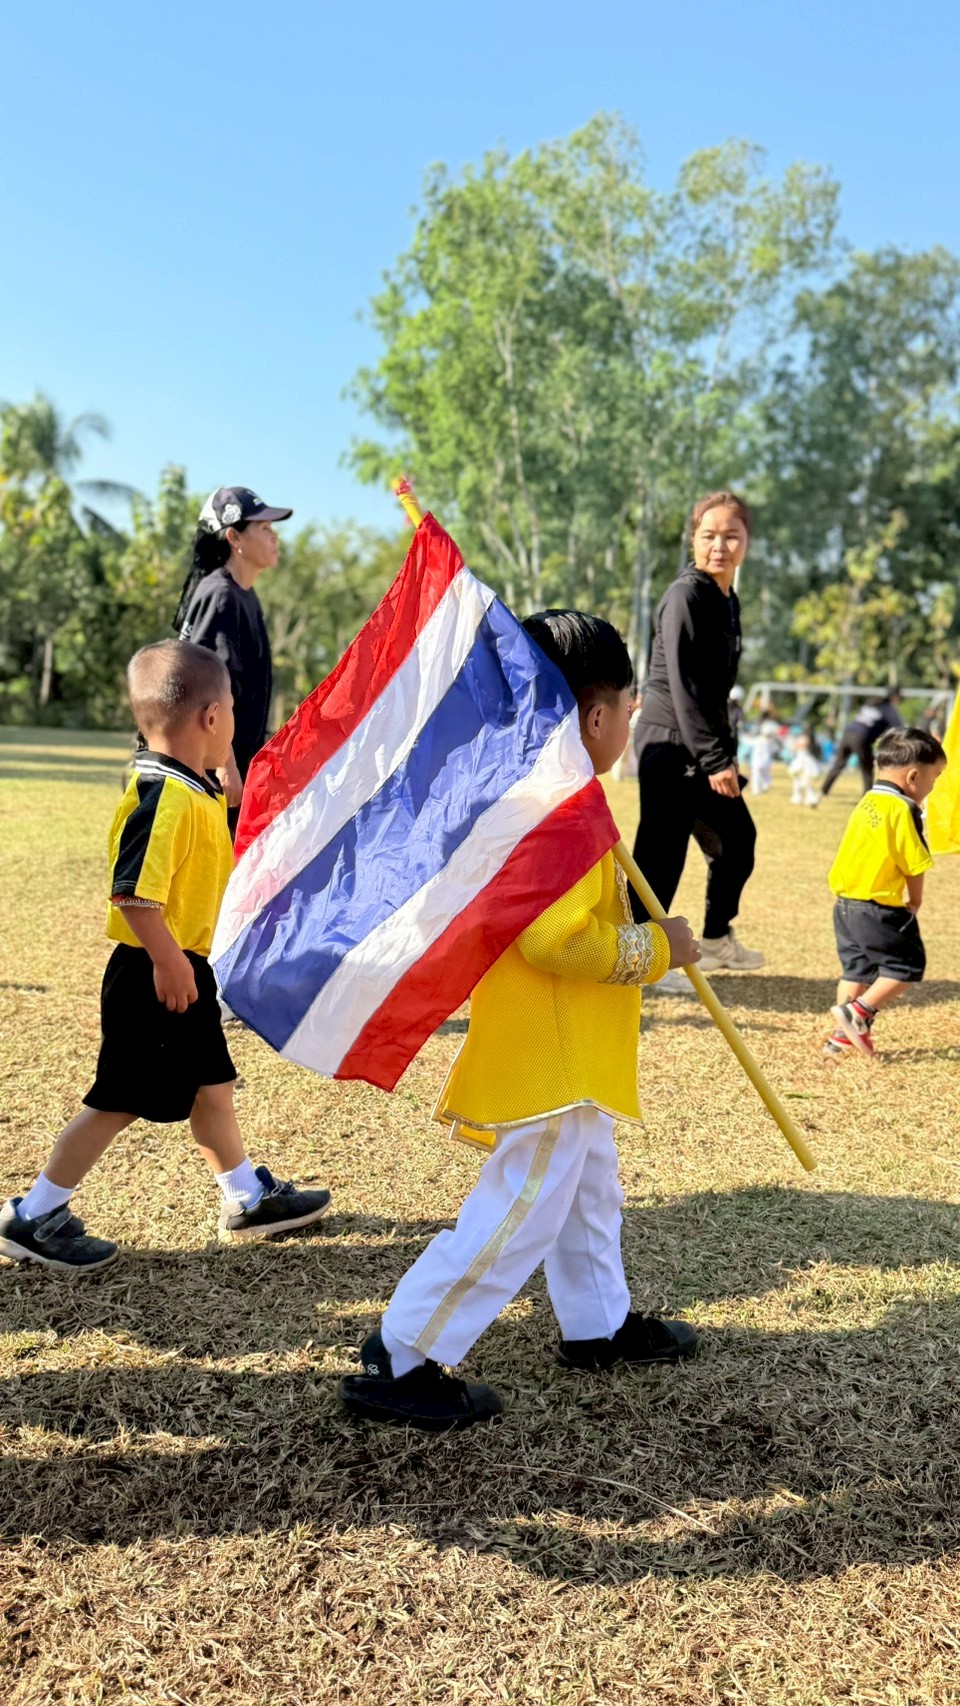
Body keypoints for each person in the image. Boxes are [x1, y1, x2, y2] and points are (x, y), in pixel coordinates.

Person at [337, 611, 702, 1431]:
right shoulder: (557, 807)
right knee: (521, 1206)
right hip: (552, 1054)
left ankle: (598, 1323)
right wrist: (659, 948)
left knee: (588, 1193)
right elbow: (555, 939)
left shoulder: (555, 794)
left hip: (571, 1051)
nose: (628, 723)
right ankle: (402, 1352)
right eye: (628, 709)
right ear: (596, 717)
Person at [0, 641, 331, 1272]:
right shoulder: (162, 795)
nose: (233, 724)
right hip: (154, 972)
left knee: (213, 1089)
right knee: (117, 1100)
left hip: (182, 968)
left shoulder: (187, 782)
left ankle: (246, 1198)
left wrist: (226, 769)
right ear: (212, 716)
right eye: (230, 712)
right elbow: (132, 891)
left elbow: (212, 807)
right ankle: (35, 1213)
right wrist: (169, 961)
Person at [630, 491, 764, 979]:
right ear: (693, 539)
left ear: (747, 541)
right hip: (669, 744)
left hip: (702, 745)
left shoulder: (726, 599)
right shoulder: (685, 596)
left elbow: (715, 693)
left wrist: (725, 754)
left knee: (737, 840)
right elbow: (684, 688)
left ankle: (715, 938)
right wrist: (714, 760)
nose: (720, 546)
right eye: (709, 535)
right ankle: (643, 957)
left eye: (731, 535)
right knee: (661, 856)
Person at [823, 726, 945, 1062]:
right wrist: (915, 901)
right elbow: (914, 863)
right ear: (913, 776)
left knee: (856, 972)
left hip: (846, 905)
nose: (933, 787)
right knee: (906, 968)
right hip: (878, 907)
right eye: (934, 778)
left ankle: (839, 1040)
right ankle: (858, 1013)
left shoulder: (867, 802)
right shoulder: (903, 809)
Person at [175, 486, 292, 835]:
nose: (274, 537)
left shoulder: (245, 595)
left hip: (236, 761)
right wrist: (225, 763)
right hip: (212, 767)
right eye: (264, 528)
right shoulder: (221, 595)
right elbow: (202, 686)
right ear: (234, 537)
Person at [819, 692, 903, 798]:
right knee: (867, 767)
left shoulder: (870, 705)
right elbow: (899, 726)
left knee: (839, 763)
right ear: (894, 698)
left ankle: (823, 790)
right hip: (861, 737)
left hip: (848, 733)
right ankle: (867, 795)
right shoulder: (887, 708)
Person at [788, 733, 822, 807]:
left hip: (807, 766)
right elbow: (792, 749)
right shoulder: (800, 748)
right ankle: (798, 798)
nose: (802, 740)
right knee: (797, 783)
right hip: (799, 765)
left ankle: (811, 799)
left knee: (807, 783)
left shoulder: (811, 751)